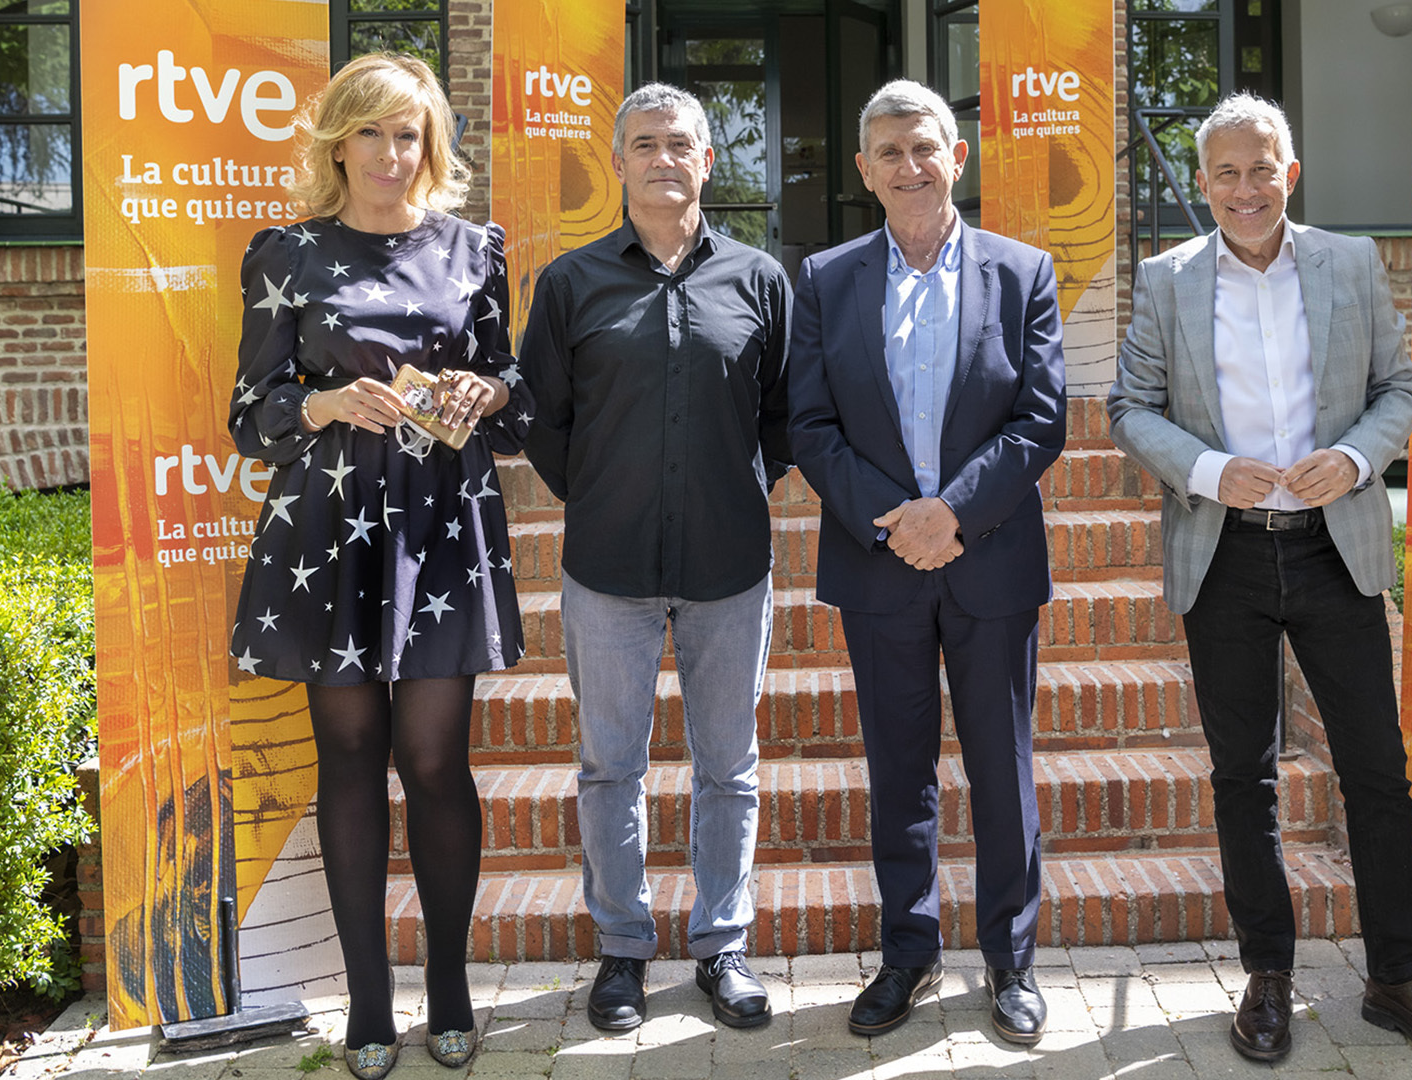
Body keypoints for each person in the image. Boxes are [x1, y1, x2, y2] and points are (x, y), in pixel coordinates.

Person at [1105, 92, 1412, 1072]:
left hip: (1334, 549)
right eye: (1226, 173)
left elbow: (1400, 387)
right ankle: (1268, 975)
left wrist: (1357, 459)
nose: (1245, 188)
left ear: (1291, 173)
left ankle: (1397, 979)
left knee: (1377, 772)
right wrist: (1206, 469)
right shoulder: (1165, 280)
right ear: (1204, 184)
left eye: (1261, 169)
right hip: (1224, 551)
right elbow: (1129, 407)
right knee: (1244, 778)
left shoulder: (1350, 263)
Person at [227, 52, 529, 1079]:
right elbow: (251, 417)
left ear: (430, 145)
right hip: (331, 530)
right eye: (372, 131)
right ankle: (366, 1000)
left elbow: (510, 389)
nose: (392, 153)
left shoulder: (475, 247)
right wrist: (322, 403)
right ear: (338, 140)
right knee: (350, 758)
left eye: (410, 134)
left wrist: (486, 392)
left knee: (436, 761)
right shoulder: (288, 253)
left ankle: (449, 985)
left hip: (442, 523)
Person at [787, 80, 1066, 1046]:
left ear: (958, 157)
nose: (911, 167)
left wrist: (953, 514)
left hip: (989, 560)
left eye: (925, 148)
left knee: (1002, 768)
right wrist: (893, 522)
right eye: (890, 153)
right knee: (898, 770)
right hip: (879, 566)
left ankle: (1011, 961)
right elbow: (810, 424)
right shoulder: (824, 280)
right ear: (865, 172)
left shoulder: (1022, 272)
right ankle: (908, 952)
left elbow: (1040, 419)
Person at [518, 83, 788, 1034]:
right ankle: (624, 948)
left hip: (729, 562)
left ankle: (723, 946)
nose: (663, 158)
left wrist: (733, 485)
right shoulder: (571, 284)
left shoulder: (761, 279)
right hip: (609, 566)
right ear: (618, 162)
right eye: (644, 144)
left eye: (680, 143)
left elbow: (783, 417)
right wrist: (602, 491)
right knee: (609, 767)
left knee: (730, 768)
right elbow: (542, 419)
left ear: (708, 160)